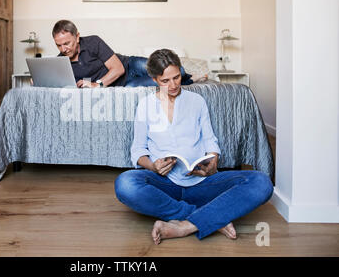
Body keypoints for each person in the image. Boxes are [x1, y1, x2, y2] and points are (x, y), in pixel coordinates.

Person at [114, 49, 274, 243]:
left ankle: (185, 226)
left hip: (201, 183)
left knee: (261, 183)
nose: (173, 85)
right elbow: (138, 150)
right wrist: (153, 166)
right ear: (154, 79)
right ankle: (209, 216)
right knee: (125, 184)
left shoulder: (197, 101)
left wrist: (213, 159)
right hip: (165, 184)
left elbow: (210, 140)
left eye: (176, 77)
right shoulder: (145, 105)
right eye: (166, 81)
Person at [52, 20, 194, 88]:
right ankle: (187, 80)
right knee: (164, 81)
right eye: (59, 45)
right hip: (125, 83)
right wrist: (38, 80)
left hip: (130, 65)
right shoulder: (60, 64)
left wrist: (98, 84)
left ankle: (190, 77)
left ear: (77, 37)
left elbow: (118, 69)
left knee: (176, 70)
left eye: (67, 43)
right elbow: (64, 84)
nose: (63, 49)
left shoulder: (92, 42)